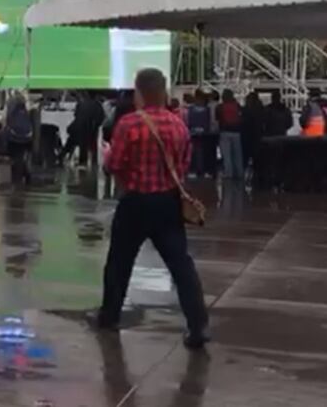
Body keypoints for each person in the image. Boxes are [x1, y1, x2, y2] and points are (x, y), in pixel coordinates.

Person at [98, 68, 209, 350]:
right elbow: (182, 166)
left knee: (119, 263)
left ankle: (110, 316)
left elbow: (114, 164)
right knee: (181, 265)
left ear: (139, 93)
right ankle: (197, 324)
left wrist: (109, 158)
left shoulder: (128, 124)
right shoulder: (178, 125)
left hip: (135, 202)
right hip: (168, 203)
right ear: (163, 92)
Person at [5, 93, 34, 186]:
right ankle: (26, 174)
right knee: (21, 158)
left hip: (15, 139)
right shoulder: (25, 112)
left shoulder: (13, 112)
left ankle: (17, 178)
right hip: (26, 139)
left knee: (16, 158)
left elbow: (8, 124)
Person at [185, 91, 214, 179]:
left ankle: (197, 170)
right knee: (201, 152)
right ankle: (202, 170)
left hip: (196, 134)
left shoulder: (191, 109)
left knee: (196, 152)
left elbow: (189, 122)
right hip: (202, 134)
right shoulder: (206, 110)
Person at [216, 89, 243, 180]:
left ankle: (228, 174)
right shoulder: (237, 106)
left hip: (225, 132)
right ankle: (239, 173)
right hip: (237, 132)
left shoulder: (220, 107)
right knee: (237, 155)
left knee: (227, 155)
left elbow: (217, 119)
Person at [241, 92, 266, 173]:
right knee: (257, 158)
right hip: (258, 135)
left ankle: (245, 173)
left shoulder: (246, 110)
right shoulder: (262, 109)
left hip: (248, 136)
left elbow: (243, 121)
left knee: (246, 157)